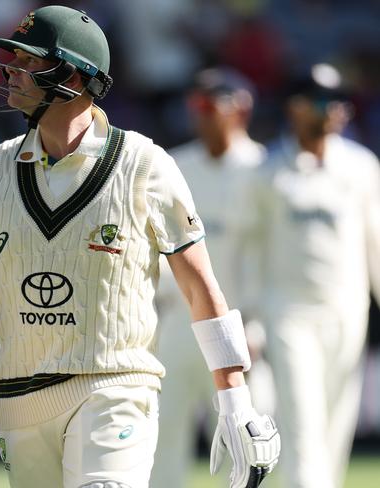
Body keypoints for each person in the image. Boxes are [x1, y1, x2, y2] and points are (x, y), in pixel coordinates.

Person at [0, 6, 280, 488]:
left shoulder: (144, 165)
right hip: (20, 398)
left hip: (115, 386)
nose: (11, 71)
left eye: (28, 61)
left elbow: (200, 287)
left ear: (71, 74)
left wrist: (235, 398)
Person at [243, 63, 380, 488]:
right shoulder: (267, 171)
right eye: (321, 101)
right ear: (295, 108)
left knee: (335, 428)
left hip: (346, 310)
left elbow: (375, 242)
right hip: (287, 312)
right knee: (302, 423)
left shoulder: (360, 166)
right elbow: (250, 249)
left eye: (339, 102)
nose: (332, 111)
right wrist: (247, 316)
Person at [151, 67, 271, 488]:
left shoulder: (264, 169)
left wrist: (257, 324)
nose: (200, 115)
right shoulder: (173, 165)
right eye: (194, 106)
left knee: (253, 444)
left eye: (209, 105)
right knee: (160, 442)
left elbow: (268, 255)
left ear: (241, 108)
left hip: (240, 326)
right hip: (177, 323)